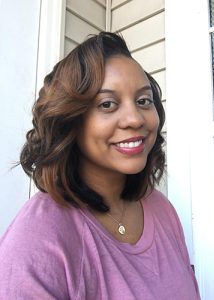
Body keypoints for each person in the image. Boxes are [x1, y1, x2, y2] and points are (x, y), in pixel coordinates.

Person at [0, 32, 200, 300]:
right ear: (70, 120)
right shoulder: (37, 239)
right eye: (107, 104)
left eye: (143, 101)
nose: (134, 118)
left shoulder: (162, 209)